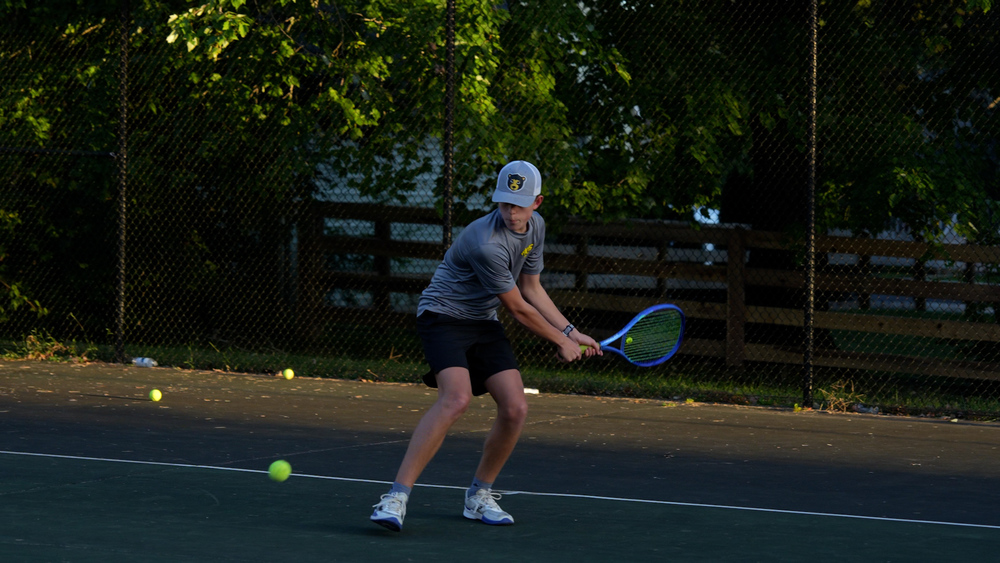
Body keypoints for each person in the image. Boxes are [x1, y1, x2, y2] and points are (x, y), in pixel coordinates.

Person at [370, 160, 602, 532]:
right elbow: (518, 309)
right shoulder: (485, 243)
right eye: (504, 203)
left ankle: (479, 497)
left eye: (519, 205)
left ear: (537, 203)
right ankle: (396, 498)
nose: (510, 212)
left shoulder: (535, 229)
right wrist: (559, 340)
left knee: (516, 408)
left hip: (482, 321)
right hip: (443, 317)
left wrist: (572, 331)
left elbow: (532, 289)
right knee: (456, 398)